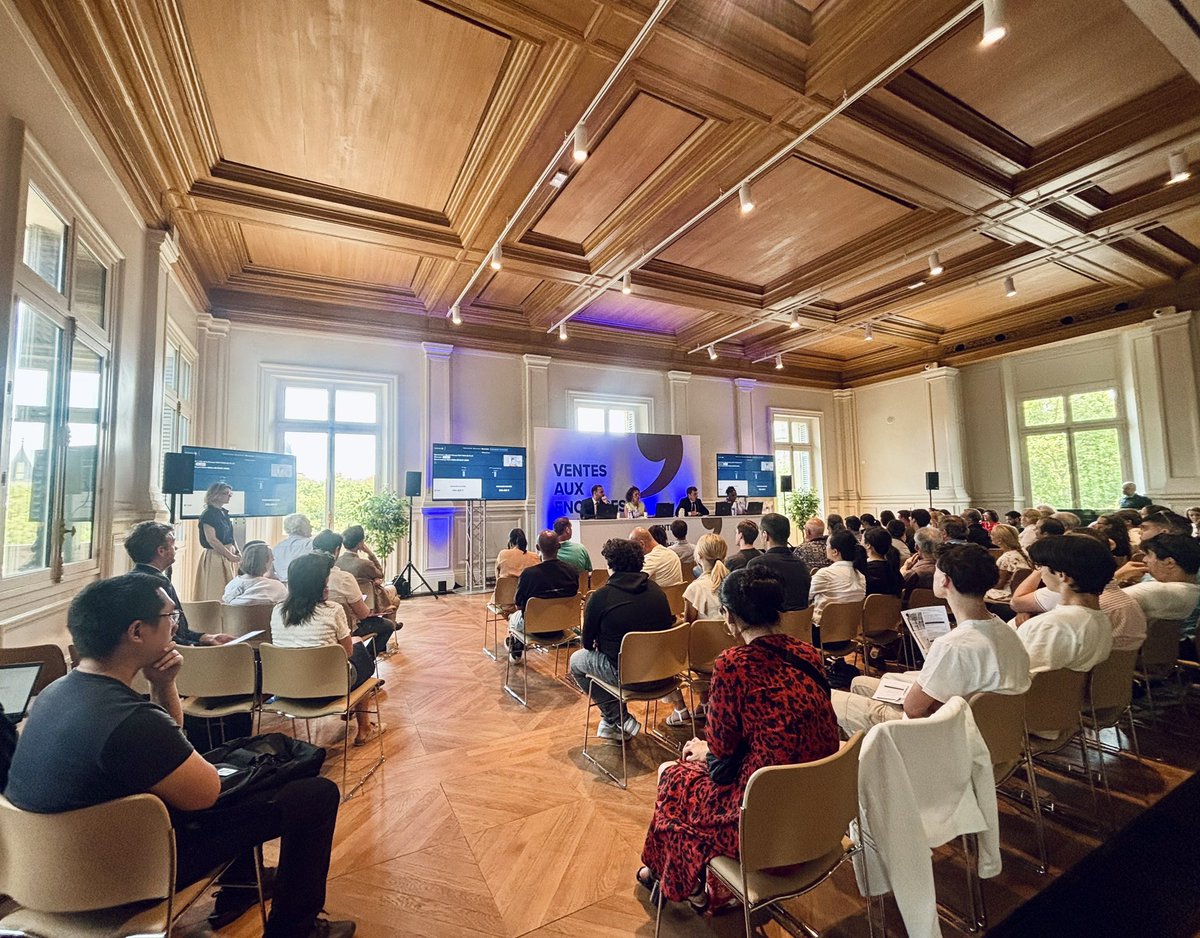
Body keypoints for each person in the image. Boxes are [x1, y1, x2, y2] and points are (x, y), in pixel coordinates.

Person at [4, 572, 354, 938]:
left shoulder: (53, 695)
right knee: (312, 794)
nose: (175, 626)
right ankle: (294, 930)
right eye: (170, 617)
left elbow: (166, 751)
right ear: (137, 632)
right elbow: (205, 794)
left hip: (44, 874)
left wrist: (163, 684)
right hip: (125, 875)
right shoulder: (130, 721)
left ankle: (242, 887)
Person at [637, 567, 839, 912]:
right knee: (690, 771)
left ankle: (683, 884)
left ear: (729, 616)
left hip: (762, 830)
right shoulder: (808, 654)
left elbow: (720, 765)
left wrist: (704, 751)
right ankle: (675, 878)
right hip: (821, 814)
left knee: (674, 773)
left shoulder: (735, 664)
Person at [832, 545, 1031, 734]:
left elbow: (913, 709)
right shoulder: (1007, 629)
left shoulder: (952, 644)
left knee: (833, 698)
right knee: (859, 682)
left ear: (945, 581)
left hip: (943, 734)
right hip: (992, 729)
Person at [273, 553, 384, 748]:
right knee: (362, 654)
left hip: (286, 690)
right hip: (329, 688)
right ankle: (364, 728)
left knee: (356, 650)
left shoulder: (278, 610)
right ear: (320, 586)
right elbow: (347, 653)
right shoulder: (332, 609)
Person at [570, 538, 674, 740]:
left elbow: (586, 644)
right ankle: (611, 723)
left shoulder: (600, 597)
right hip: (664, 672)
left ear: (610, 565)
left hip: (629, 677)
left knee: (577, 661)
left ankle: (617, 718)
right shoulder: (657, 591)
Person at [124, 521, 234, 646]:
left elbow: (178, 633)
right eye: (173, 544)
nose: (176, 548)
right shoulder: (160, 584)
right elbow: (171, 638)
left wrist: (205, 637)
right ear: (161, 551)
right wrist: (202, 646)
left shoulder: (129, 581)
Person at [1018, 534, 1115, 673]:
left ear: (1062, 575)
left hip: (1041, 694)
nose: (1040, 572)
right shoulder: (1102, 619)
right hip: (1071, 694)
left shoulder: (1051, 626)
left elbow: (1021, 683)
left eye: (1040, 566)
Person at [311, 529, 396, 656]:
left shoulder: (304, 577)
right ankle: (366, 658)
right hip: (346, 629)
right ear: (336, 550)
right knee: (388, 625)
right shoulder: (344, 578)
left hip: (312, 631)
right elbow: (363, 614)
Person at [507, 530, 580, 660]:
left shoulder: (529, 575)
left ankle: (517, 647)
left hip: (534, 627)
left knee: (513, 617)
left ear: (537, 548)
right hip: (562, 625)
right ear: (558, 547)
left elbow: (518, 606)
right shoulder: (572, 571)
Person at [1117, 534, 1200, 627]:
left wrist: (1117, 576)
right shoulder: (1193, 590)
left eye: (1149, 555)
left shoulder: (1153, 590)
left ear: (1169, 562)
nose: (1144, 560)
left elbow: (1101, 604)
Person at [747, 512, 810, 611]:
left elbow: (750, 603)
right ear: (788, 534)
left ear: (765, 535)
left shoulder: (756, 565)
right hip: (799, 625)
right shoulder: (801, 565)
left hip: (769, 624)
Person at [808, 529, 865, 624]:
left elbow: (805, 596)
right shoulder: (860, 575)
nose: (825, 548)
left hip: (823, 630)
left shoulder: (825, 574)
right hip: (850, 630)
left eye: (827, 545)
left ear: (835, 552)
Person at [195, 482, 240, 600]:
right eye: (226, 494)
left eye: (230, 494)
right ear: (215, 495)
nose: (229, 496)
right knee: (216, 590)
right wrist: (229, 555)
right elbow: (212, 540)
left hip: (228, 553)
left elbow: (230, 534)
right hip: (216, 554)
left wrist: (237, 551)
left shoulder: (224, 512)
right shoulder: (208, 514)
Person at [223, 542, 289, 606]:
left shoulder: (231, 585)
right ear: (264, 561)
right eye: (271, 557)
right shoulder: (276, 587)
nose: (273, 559)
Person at [683, 534, 729, 623]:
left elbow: (688, 627)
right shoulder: (735, 584)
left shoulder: (694, 589)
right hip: (732, 636)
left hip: (704, 637)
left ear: (699, 556)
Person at [984, 523, 1032, 602]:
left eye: (992, 534)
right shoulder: (1024, 552)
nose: (989, 536)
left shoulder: (1006, 558)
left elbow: (999, 584)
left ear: (999, 540)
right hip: (1023, 591)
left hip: (1008, 593)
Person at [272, 512, 314, 585]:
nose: (312, 527)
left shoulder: (277, 547)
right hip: (304, 586)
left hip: (282, 586)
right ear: (303, 528)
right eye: (309, 524)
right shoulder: (310, 545)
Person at [901, 526, 941, 600]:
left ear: (916, 547)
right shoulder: (948, 569)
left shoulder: (913, 574)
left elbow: (899, 592)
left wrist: (904, 569)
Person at [863, 525, 902, 597]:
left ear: (868, 545)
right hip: (893, 608)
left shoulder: (866, 570)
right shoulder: (893, 568)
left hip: (872, 607)